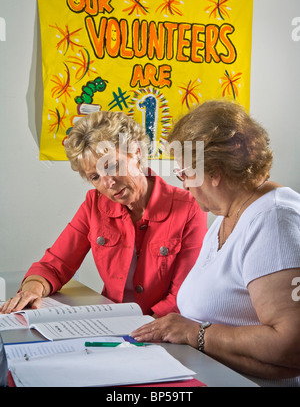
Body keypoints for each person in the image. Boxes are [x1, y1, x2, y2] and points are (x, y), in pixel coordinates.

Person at [131, 100, 300, 387]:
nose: (183, 185)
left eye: (185, 174)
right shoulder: (229, 213)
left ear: (214, 172)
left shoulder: (274, 221)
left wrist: (195, 333)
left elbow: (291, 346)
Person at [0, 111, 207, 318]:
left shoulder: (189, 207)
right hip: (112, 323)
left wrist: (143, 327)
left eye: (112, 166)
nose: (108, 183)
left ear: (136, 151)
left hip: (164, 328)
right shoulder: (94, 204)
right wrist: (33, 288)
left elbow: (183, 295)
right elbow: (55, 265)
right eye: (95, 177)